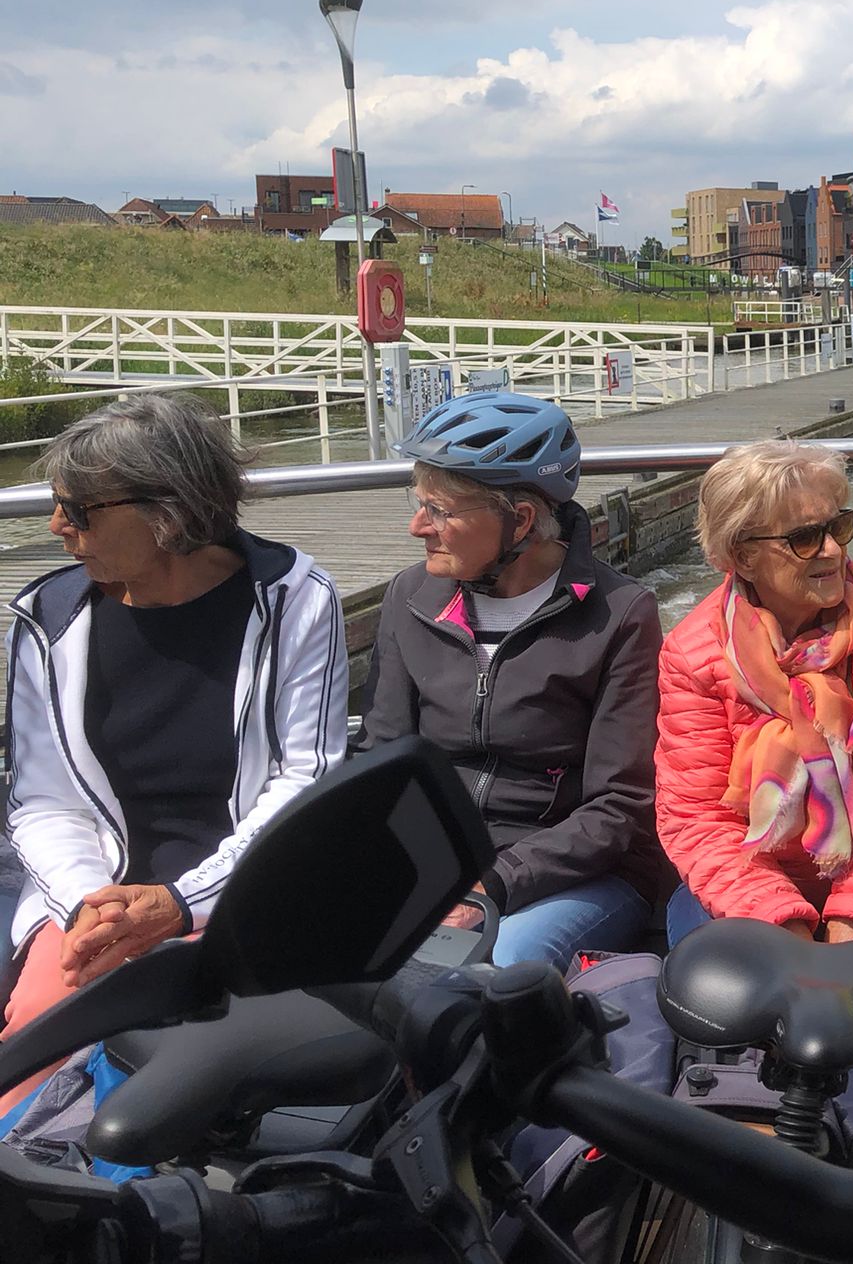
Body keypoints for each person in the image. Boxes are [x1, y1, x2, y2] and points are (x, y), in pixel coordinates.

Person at [4, 394, 347, 1108]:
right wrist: (87, 909)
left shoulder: (295, 601)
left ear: (169, 511)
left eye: (80, 508)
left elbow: (305, 783)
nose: (57, 525)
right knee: (29, 1059)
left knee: (187, 1093)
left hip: (241, 899)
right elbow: (42, 801)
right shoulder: (47, 620)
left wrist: (178, 905)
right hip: (90, 905)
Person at [358, 391, 665, 969]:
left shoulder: (620, 615)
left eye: (441, 511)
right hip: (436, 862)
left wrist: (492, 885)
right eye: (418, 502)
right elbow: (382, 758)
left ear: (519, 521)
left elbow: (621, 804)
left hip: (576, 872)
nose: (416, 526)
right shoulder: (411, 596)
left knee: (503, 966)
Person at [655, 441, 853, 968]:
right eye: (804, 538)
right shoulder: (691, 651)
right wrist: (785, 921)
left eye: (838, 527)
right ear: (741, 556)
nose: (831, 550)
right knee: (738, 997)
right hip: (746, 881)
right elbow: (695, 814)